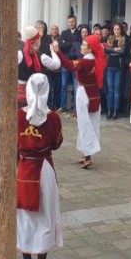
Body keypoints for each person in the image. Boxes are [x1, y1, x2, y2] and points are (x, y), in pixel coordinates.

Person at [17, 74, 64, 259]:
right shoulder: (53, 117)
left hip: (24, 168)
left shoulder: (18, 115)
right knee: (45, 215)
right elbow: (56, 143)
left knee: (25, 216)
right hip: (44, 168)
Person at [52, 35, 106, 168]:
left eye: (84, 45)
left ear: (90, 49)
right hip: (94, 94)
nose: (81, 47)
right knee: (92, 123)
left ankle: (87, 155)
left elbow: (68, 65)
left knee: (84, 123)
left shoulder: (84, 62)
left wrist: (57, 51)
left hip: (84, 93)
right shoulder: (97, 61)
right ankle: (86, 152)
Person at [105, 23, 130, 120]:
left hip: (118, 68)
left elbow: (122, 52)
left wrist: (112, 51)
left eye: (118, 29)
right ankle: (109, 110)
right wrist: (115, 50)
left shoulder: (124, 39)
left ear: (121, 30)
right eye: (114, 29)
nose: (116, 31)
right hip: (109, 67)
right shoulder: (110, 39)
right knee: (109, 90)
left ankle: (115, 111)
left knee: (117, 91)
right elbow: (106, 50)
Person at [58, 15, 82, 113]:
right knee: (63, 85)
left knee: (76, 86)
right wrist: (72, 44)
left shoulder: (79, 33)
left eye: (72, 21)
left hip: (75, 62)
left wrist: (67, 44)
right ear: (67, 23)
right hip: (66, 61)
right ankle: (63, 106)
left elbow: (78, 46)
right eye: (69, 22)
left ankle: (76, 108)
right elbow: (61, 45)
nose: (71, 23)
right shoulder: (64, 33)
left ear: (75, 22)